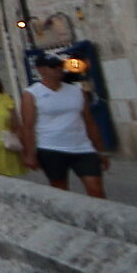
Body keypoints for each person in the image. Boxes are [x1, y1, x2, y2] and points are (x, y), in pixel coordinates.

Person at [21, 55, 108, 197]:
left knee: (95, 188)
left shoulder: (77, 91)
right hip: (51, 147)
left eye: (60, 66)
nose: (59, 69)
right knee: (60, 189)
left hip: (82, 147)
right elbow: (28, 126)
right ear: (41, 69)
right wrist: (30, 154)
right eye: (53, 67)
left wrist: (100, 150)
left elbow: (89, 121)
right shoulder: (32, 94)